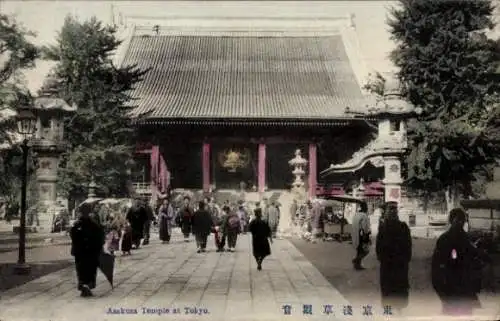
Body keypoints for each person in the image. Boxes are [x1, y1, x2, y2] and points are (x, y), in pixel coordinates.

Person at [431, 208, 489, 316]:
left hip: (466, 285)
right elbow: (437, 266)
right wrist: (440, 288)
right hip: (450, 284)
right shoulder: (444, 239)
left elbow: (475, 256)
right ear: (452, 220)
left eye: (463, 220)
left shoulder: (466, 238)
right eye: (458, 220)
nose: (461, 223)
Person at [376, 204, 412, 314]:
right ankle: (394, 309)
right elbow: (379, 246)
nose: (392, 212)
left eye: (394, 210)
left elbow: (408, 244)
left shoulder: (401, 227)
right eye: (390, 210)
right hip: (392, 263)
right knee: (393, 286)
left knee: (394, 286)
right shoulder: (384, 227)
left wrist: (405, 259)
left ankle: (396, 309)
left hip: (395, 263)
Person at [70, 203, 105, 297]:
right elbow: (100, 237)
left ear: (80, 212)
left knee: (81, 270)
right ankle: (87, 286)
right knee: (90, 269)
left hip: (80, 252)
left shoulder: (76, 224)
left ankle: (83, 286)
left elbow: (73, 237)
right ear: (89, 212)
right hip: (91, 252)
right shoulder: (94, 224)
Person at [351, 201, 371, 270]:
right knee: (366, 251)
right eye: (367, 207)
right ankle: (356, 260)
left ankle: (357, 265)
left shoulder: (356, 214)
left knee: (359, 250)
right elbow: (365, 228)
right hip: (361, 235)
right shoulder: (364, 216)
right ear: (365, 208)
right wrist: (367, 236)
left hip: (355, 234)